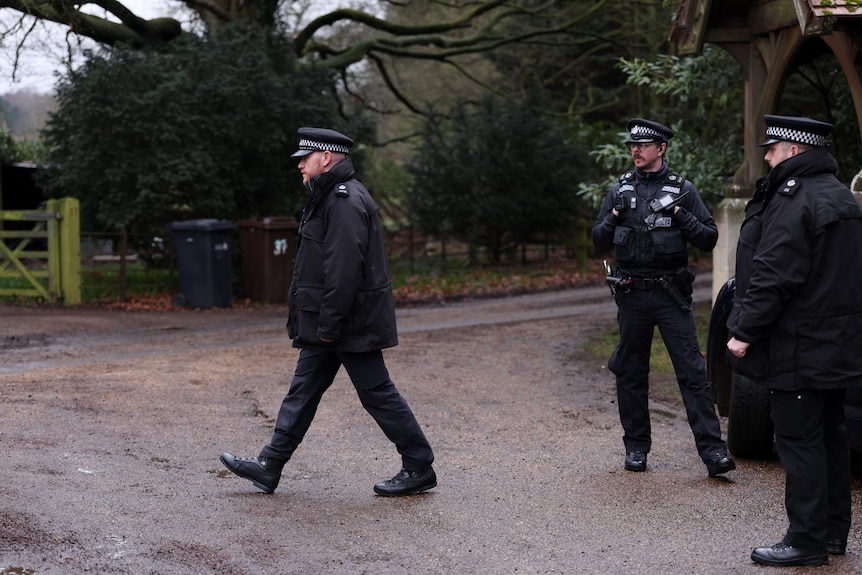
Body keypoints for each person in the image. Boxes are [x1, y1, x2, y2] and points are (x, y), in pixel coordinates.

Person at [221, 127, 436, 497]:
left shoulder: (344, 201)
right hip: (330, 322)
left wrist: (329, 324)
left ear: (325, 158)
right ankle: (270, 465)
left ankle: (419, 465)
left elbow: (343, 270)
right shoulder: (327, 198)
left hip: (346, 323)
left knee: (377, 393)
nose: (299, 166)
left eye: (304, 159)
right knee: (303, 391)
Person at [727, 115, 862, 567]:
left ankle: (805, 540)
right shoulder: (841, 196)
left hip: (800, 343)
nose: (766, 156)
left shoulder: (796, 198)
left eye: (773, 148)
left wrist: (743, 330)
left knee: (799, 439)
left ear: (795, 152)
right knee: (829, 435)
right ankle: (831, 534)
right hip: (835, 341)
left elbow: (775, 274)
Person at [592, 118, 736, 477]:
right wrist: (613, 215)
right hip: (632, 295)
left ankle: (714, 453)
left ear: (662, 148)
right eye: (632, 145)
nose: (635, 151)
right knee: (630, 372)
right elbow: (598, 240)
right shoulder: (620, 190)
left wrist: (679, 213)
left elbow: (708, 238)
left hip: (671, 295)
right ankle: (637, 448)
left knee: (692, 373)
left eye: (643, 145)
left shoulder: (682, 189)